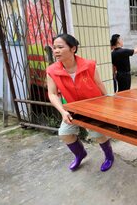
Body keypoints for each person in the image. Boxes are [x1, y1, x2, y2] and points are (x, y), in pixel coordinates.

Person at [47, 34, 114, 172]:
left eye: (60, 47)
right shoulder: (52, 70)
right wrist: (63, 112)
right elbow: (52, 94)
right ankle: (80, 154)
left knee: (99, 135)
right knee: (65, 133)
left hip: (94, 107)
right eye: (54, 48)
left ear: (73, 48)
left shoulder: (89, 65)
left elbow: (100, 85)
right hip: (72, 109)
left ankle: (109, 156)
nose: (56, 51)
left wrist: (107, 105)